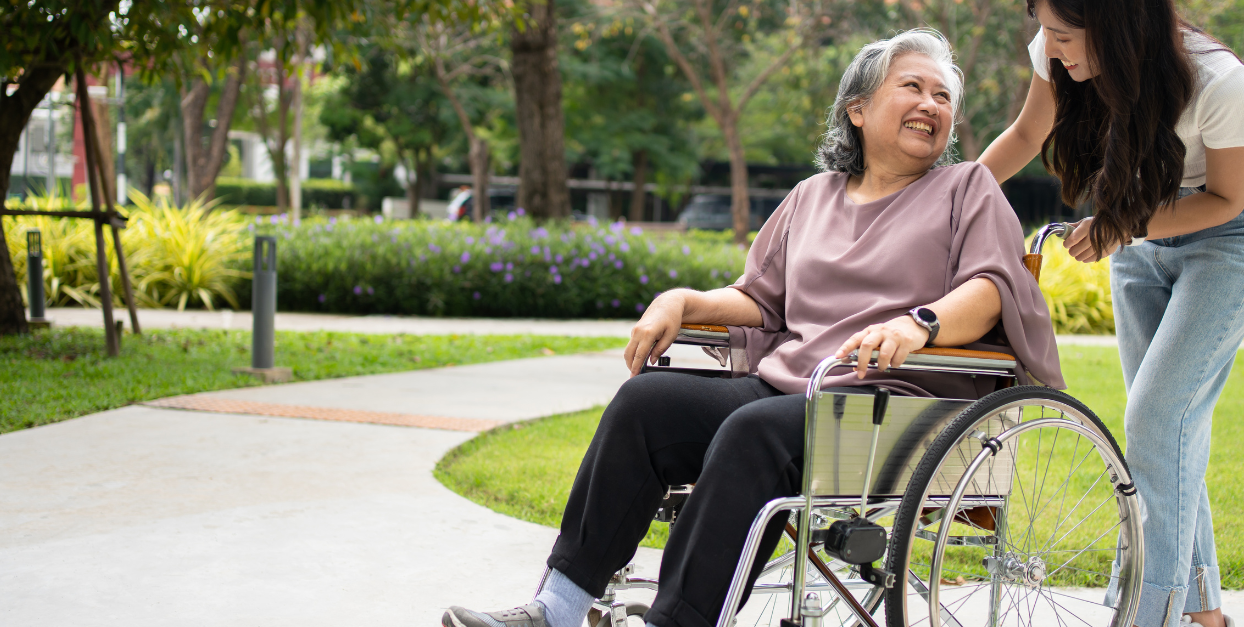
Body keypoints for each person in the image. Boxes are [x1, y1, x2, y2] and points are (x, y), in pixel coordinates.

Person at [443, 29, 1063, 627]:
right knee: (644, 404)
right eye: (913, 87)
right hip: (793, 390)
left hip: (896, 403)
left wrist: (919, 324)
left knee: (752, 430)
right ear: (859, 109)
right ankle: (556, 610)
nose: (931, 105)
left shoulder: (966, 187)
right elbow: (759, 300)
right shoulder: (811, 197)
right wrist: (682, 299)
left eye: (944, 96)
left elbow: (990, 290)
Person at [976, 1, 1244, 626]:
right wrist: (947, 201)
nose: (1050, 46)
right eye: (1046, 32)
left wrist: (1121, 227)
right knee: (1165, 433)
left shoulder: (1218, 80)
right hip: (1136, 219)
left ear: (1116, 25)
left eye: (1064, 34)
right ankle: (1202, 612)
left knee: (1154, 420)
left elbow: (1225, 198)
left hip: (1227, 231)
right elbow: (1025, 135)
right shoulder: (1058, 51)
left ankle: (1151, 616)